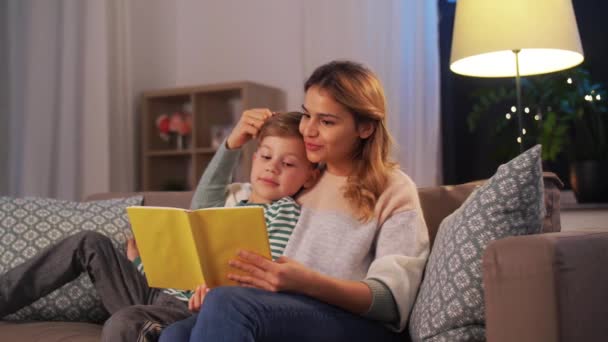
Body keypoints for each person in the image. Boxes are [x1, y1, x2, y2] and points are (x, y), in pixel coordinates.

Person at [159, 60, 430, 342]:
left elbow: (391, 300)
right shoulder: (302, 177)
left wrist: (307, 283)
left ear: (365, 128)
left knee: (229, 304)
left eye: (326, 121)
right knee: (175, 334)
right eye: (306, 115)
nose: (308, 130)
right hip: (287, 310)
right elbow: (205, 209)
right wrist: (232, 144)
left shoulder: (394, 188)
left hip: (356, 325)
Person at [0, 112, 318, 342]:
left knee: (125, 323)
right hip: (158, 291)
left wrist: (219, 297)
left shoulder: (285, 213)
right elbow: (201, 205)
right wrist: (231, 145)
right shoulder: (237, 195)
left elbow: (263, 277)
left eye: (288, 163)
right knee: (89, 243)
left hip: (193, 309)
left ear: (309, 177)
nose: (272, 167)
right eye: (265, 156)